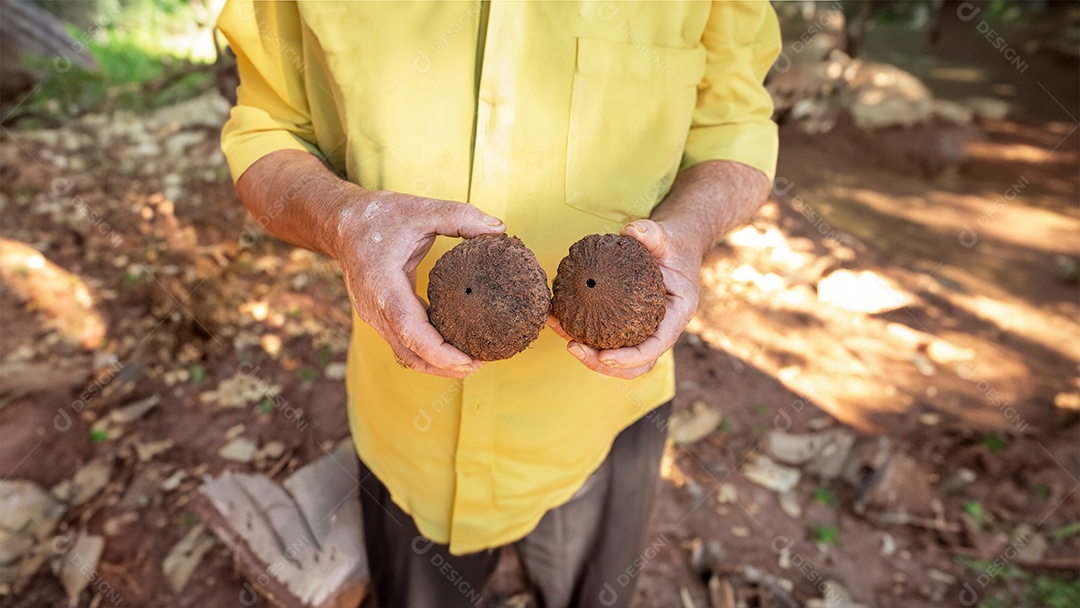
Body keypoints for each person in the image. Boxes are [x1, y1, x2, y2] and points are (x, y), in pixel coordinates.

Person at [218, 2, 779, 606]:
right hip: (406, 433)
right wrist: (344, 219)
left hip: (599, 421)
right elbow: (266, 132)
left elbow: (735, 127)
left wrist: (689, 229)